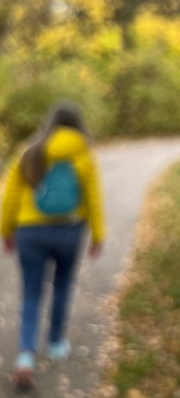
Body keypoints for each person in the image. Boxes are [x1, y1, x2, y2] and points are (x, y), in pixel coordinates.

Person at [0, 102, 105, 388]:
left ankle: (25, 357)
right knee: (62, 284)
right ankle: (57, 343)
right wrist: (98, 235)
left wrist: (5, 230)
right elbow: (93, 197)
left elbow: (10, 195)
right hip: (69, 230)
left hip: (29, 231)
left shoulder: (30, 151)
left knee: (31, 291)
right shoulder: (81, 153)